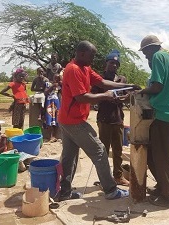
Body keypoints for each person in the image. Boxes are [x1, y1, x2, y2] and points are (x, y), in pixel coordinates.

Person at [56, 40, 140, 202]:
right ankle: (110, 190)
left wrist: (128, 86)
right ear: (81, 54)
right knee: (100, 151)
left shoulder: (84, 67)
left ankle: (65, 192)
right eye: (91, 55)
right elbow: (81, 98)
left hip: (67, 120)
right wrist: (105, 95)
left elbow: (102, 82)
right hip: (74, 121)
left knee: (69, 156)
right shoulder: (73, 69)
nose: (93, 58)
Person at [137, 35, 169, 208]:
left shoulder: (158, 57)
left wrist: (141, 92)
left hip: (164, 114)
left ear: (151, 48)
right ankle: (161, 187)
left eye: (145, 53)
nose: (145, 56)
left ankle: (168, 198)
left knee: (160, 157)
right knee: (161, 156)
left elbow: (157, 87)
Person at [91, 49, 129, 186]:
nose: (113, 66)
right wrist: (106, 97)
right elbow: (93, 98)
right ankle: (104, 179)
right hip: (104, 119)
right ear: (105, 64)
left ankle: (118, 176)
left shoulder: (122, 80)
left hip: (118, 119)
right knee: (104, 150)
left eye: (116, 64)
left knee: (118, 150)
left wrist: (123, 98)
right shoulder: (99, 80)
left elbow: (127, 97)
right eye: (111, 63)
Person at [44, 73, 61, 142]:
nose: (56, 80)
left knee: (56, 118)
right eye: (55, 78)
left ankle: (54, 136)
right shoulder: (48, 84)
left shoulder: (59, 86)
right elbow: (45, 93)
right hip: (49, 102)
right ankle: (50, 136)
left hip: (56, 102)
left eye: (58, 79)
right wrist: (52, 87)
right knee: (49, 118)